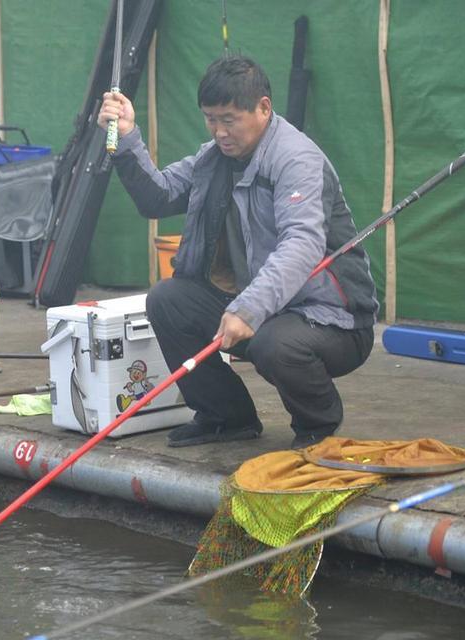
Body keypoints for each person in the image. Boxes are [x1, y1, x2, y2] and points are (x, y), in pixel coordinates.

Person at [98, 55, 378, 450]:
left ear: (263, 108)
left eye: (229, 119)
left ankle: (319, 428)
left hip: (332, 320)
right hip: (259, 308)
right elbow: (156, 198)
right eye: (211, 119)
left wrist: (247, 310)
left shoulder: (297, 160)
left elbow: (303, 243)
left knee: (274, 344)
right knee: (168, 299)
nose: (219, 131)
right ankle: (225, 418)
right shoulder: (212, 159)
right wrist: (125, 138)